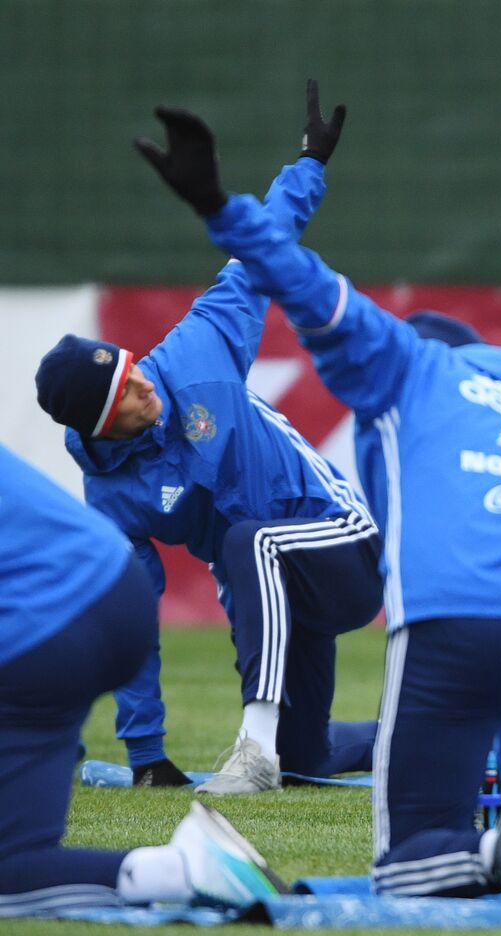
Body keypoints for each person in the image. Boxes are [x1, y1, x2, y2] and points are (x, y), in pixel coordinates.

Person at [140, 96, 501, 906]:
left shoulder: (406, 366)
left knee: (410, 877)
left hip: (462, 625)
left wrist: (220, 207)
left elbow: (296, 278)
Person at [34, 83, 381, 795]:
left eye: (132, 368)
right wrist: (146, 755)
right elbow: (132, 622)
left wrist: (309, 164)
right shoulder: (111, 500)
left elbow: (265, 249)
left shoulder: (195, 350)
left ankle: (253, 752)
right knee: (311, 757)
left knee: (242, 540)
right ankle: (459, 735)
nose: (143, 385)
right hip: (275, 599)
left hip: (344, 545)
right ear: (100, 426)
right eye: (124, 393)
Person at [0, 443, 285, 914]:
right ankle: (187, 867)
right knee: (19, 853)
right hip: (107, 583)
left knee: (9, 874)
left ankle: (184, 871)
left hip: (47, 614)